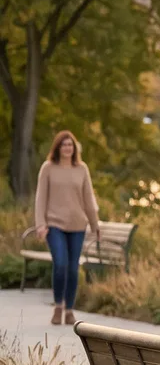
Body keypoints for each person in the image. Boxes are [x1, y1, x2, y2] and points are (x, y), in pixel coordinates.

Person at [34, 130, 102, 326]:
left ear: (74, 148)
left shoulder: (82, 169)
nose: (67, 148)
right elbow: (40, 198)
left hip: (77, 225)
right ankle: (58, 307)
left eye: (70, 145)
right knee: (61, 264)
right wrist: (40, 224)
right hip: (54, 224)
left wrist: (95, 224)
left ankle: (70, 310)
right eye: (64, 145)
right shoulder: (48, 167)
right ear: (58, 147)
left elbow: (89, 200)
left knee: (73, 269)